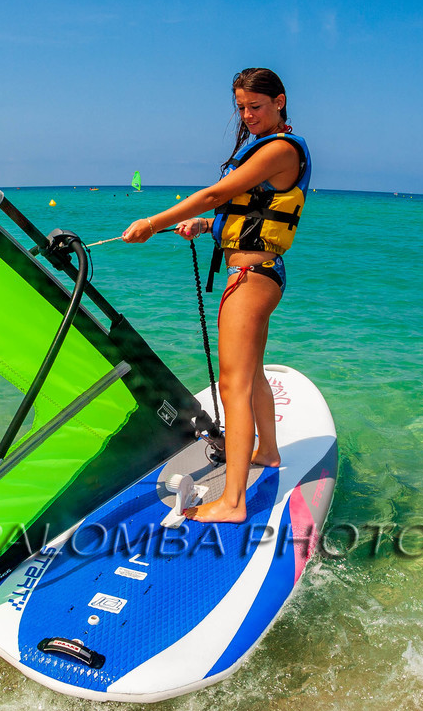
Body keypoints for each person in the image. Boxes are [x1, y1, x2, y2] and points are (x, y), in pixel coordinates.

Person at [122, 68, 310, 523]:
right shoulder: (264, 148)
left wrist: (155, 222)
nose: (248, 117)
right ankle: (268, 451)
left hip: (252, 276)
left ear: (280, 101)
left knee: (234, 386)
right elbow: (241, 215)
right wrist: (206, 226)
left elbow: (217, 193)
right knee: (251, 374)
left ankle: (232, 502)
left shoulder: (281, 149)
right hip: (259, 269)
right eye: (242, 109)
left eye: (257, 107)